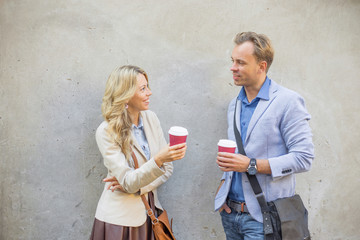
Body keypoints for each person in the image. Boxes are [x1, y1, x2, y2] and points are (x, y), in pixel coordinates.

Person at [214, 32, 314, 240]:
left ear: (261, 66)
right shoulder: (235, 105)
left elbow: (303, 158)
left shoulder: (288, 101)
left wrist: (252, 164)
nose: (233, 67)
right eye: (233, 61)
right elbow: (236, 157)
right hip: (231, 215)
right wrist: (223, 192)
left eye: (241, 62)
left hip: (264, 218)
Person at [90, 65, 187, 240]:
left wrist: (137, 185)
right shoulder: (106, 131)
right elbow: (129, 181)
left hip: (150, 214)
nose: (149, 92)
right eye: (143, 89)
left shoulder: (151, 118)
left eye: (147, 86)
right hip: (119, 222)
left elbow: (167, 170)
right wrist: (157, 161)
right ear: (125, 94)